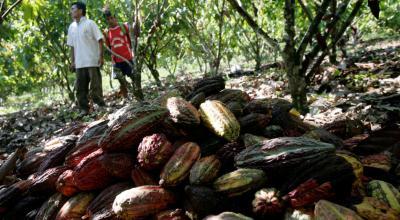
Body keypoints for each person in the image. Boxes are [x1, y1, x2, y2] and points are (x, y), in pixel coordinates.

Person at [67, 2, 105, 115]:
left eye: (73, 9)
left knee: (95, 86)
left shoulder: (90, 23)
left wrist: (101, 57)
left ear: (80, 11)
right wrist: (72, 61)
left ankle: (100, 106)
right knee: (80, 88)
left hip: (92, 60)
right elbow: (72, 46)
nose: (71, 11)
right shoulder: (72, 27)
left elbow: (100, 40)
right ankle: (84, 109)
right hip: (79, 63)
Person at [103, 9, 137, 100]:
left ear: (115, 18)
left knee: (133, 76)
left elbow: (131, 40)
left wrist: (133, 52)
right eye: (108, 19)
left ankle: (137, 93)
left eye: (112, 18)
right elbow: (108, 47)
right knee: (121, 80)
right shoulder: (106, 32)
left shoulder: (124, 27)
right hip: (116, 60)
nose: (110, 20)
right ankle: (126, 97)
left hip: (127, 57)